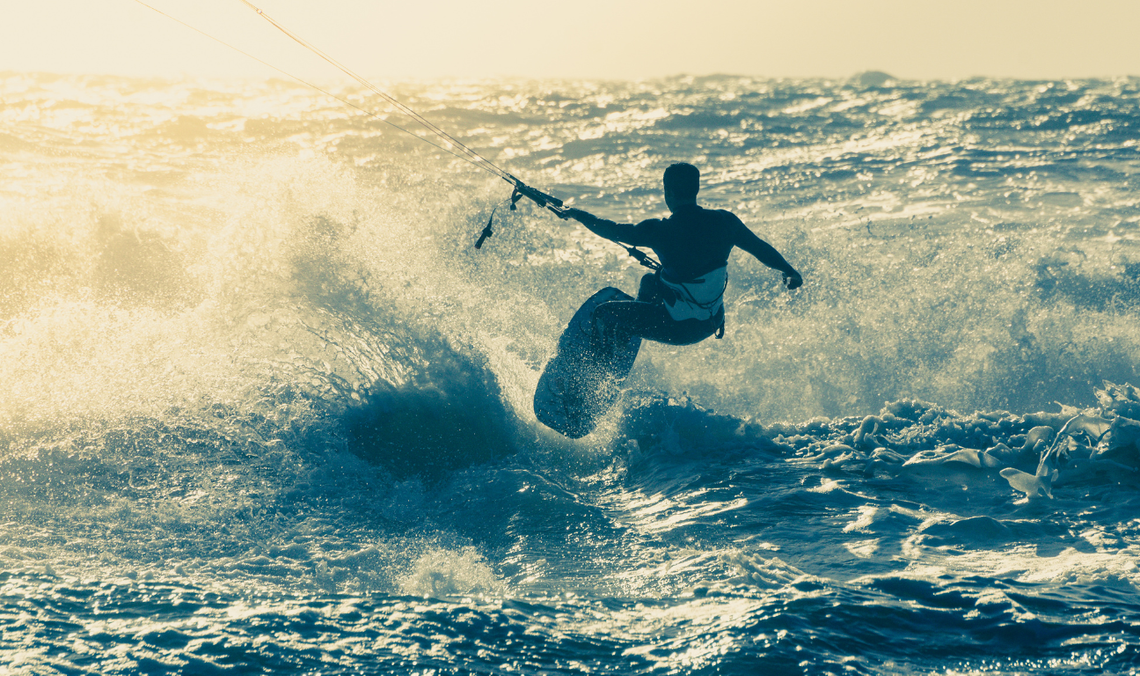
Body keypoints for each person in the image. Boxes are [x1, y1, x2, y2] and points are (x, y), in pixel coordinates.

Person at [559, 163, 802, 351]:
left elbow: (609, 229)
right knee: (649, 281)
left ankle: (595, 380)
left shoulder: (661, 230)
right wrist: (789, 270)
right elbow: (760, 248)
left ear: (669, 192)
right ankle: (626, 336)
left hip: (678, 329)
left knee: (603, 313)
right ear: (696, 189)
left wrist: (576, 214)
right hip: (712, 322)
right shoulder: (725, 222)